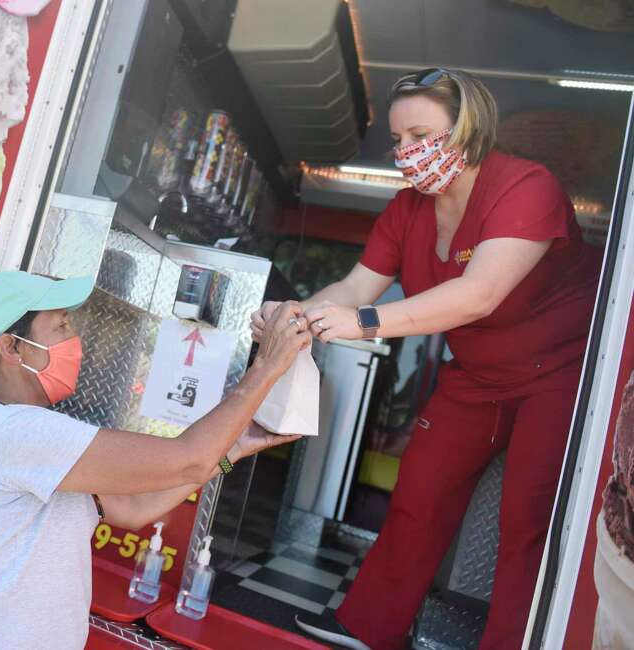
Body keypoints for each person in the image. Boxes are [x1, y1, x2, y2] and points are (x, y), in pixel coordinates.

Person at [252, 68, 600, 650]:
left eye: (420, 134)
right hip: (479, 375)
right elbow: (357, 286)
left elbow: (478, 293)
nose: (406, 153)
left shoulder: (526, 187)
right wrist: (293, 315)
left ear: (467, 129)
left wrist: (362, 324)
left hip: (561, 372)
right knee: (421, 490)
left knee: (527, 519)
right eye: (398, 140)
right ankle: (370, 627)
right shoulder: (407, 210)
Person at [0, 270, 311, 650]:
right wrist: (267, 366)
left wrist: (235, 448)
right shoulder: (14, 432)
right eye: (61, 326)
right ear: (11, 347)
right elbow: (189, 459)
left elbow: (133, 508)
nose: (75, 339)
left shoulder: (13, 431)